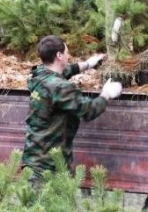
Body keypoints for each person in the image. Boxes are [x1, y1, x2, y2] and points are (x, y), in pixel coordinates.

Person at [22, 35, 122, 183]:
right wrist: (107, 94)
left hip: (33, 160)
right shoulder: (60, 87)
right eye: (67, 52)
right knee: (47, 205)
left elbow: (64, 71)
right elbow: (88, 110)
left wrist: (88, 64)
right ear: (59, 55)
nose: (69, 56)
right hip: (49, 167)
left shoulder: (38, 75)